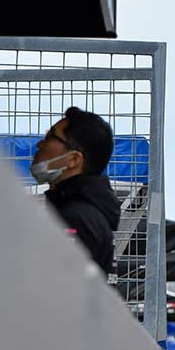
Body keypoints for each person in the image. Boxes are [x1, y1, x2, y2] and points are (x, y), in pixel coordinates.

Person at [32, 107, 120, 273]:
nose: (40, 144)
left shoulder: (77, 218)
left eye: (51, 137)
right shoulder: (85, 212)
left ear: (73, 159)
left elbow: (55, 282)